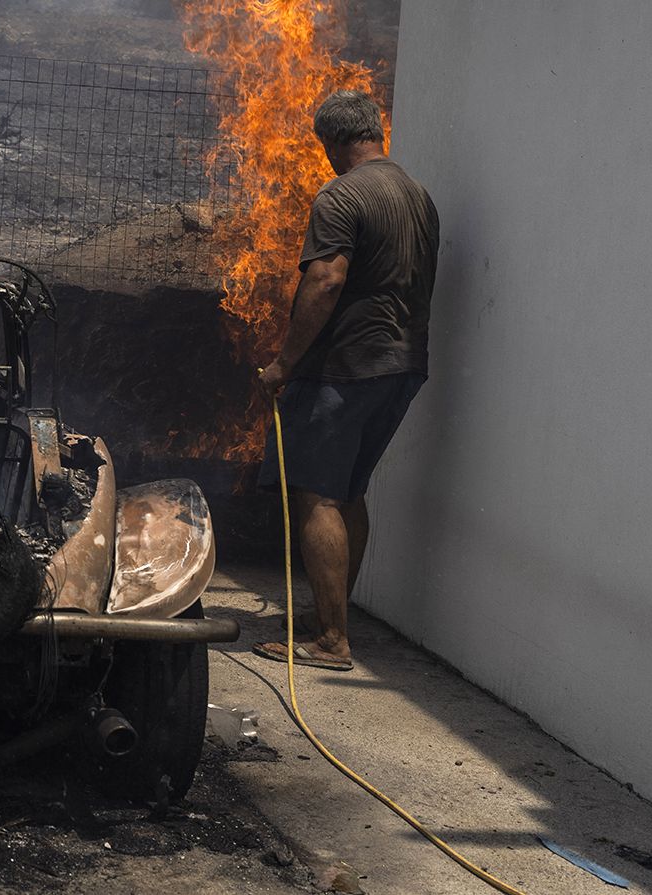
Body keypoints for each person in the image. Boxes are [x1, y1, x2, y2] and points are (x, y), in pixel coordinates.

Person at [253, 89, 439, 672]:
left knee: (317, 494)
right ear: (375, 130)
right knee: (349, 491)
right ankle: (331, 616)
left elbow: (325, 281)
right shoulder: (417, 195)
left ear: (332, 142)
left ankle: (331, 640)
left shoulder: (341, 195)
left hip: (347, 368)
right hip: (403, 366)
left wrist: (284, 363)